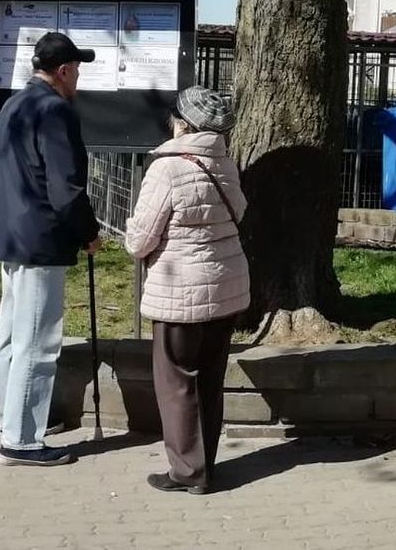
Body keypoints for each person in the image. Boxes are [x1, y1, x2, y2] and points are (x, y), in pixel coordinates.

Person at [0, 32, 102, 467]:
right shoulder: (55, 111)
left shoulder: (12, 106)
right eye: (77, 70)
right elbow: (65, 189)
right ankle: (22, 440)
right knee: (38, 342)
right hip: (42, 240)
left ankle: (10, 422)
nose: (78, 78)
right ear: (63, 71)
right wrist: (88, 233)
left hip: (11, 238)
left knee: (11, 338)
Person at [125, 86, 250, 495]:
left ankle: (187, 472)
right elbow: (240, 210)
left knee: (177, 381)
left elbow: (140, 241)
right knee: (211, 378)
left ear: (181, 124)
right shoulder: (225, 163)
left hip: (180, 292)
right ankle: (205, 464)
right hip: (226, 287)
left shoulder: (167, 168)